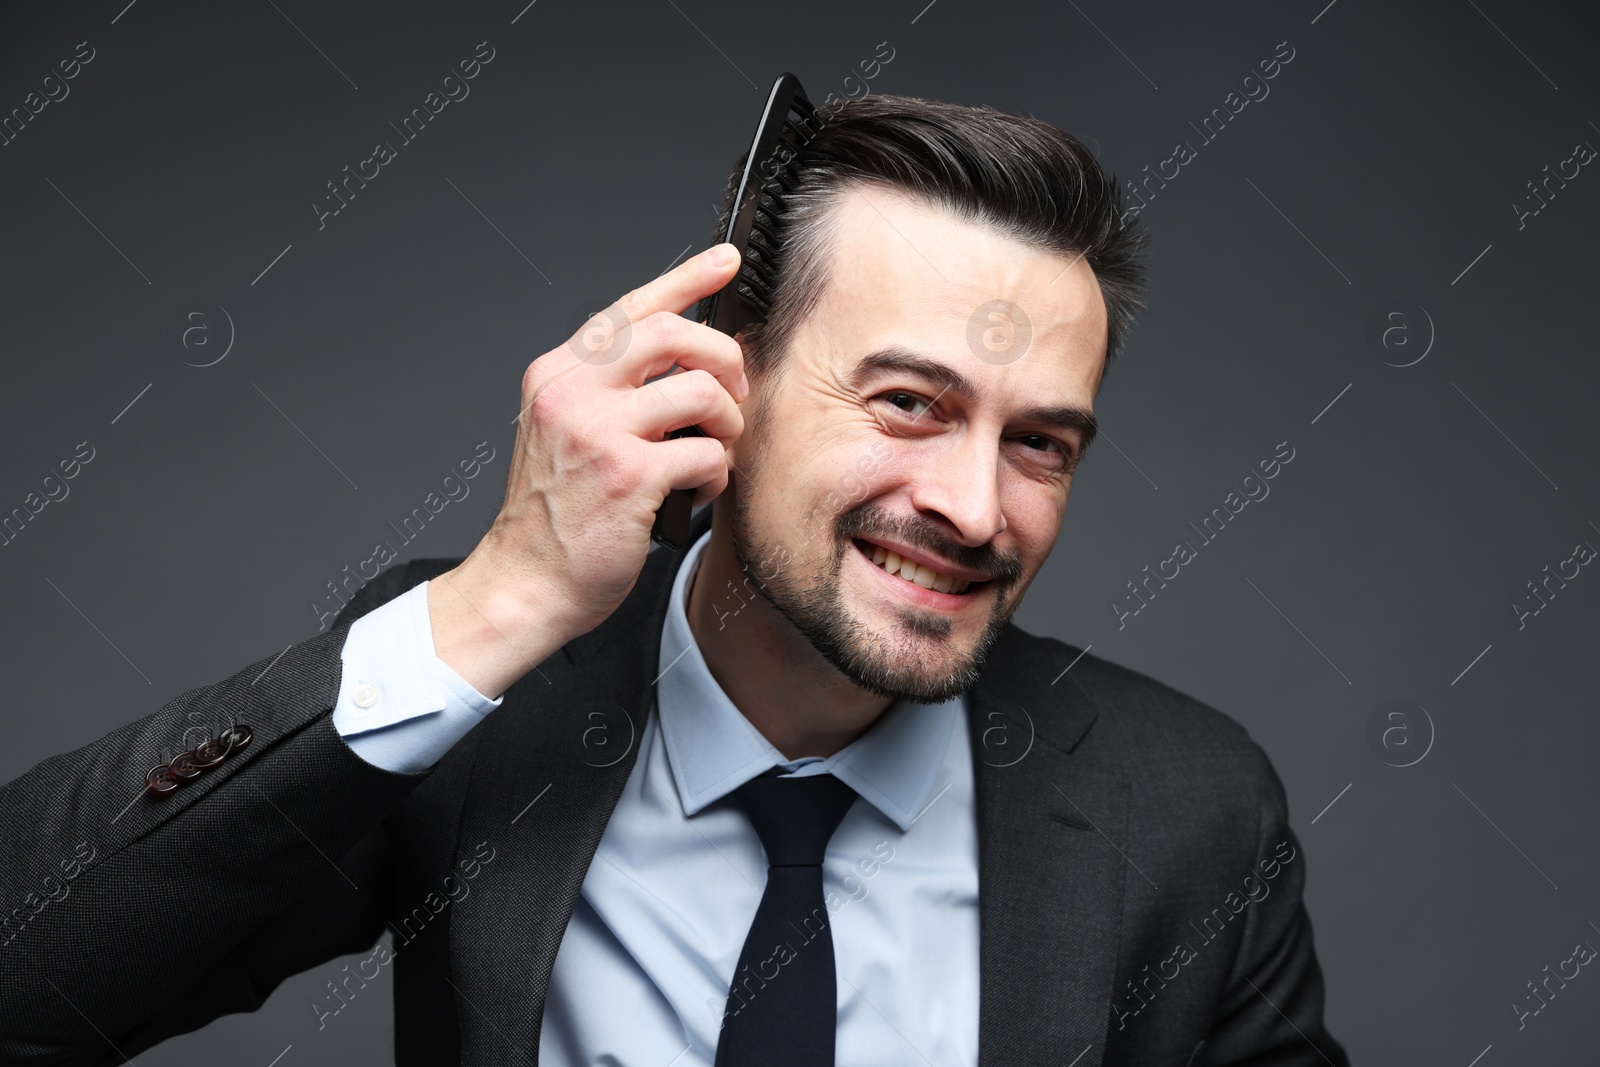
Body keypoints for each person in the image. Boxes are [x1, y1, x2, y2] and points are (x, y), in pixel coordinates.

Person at [0, 94, 1347, 1066]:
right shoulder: (495, 695)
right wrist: (504, 600)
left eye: (1040, 443)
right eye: (908, 402)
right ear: (723, 377)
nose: (974, 507)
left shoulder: (1190, 806)